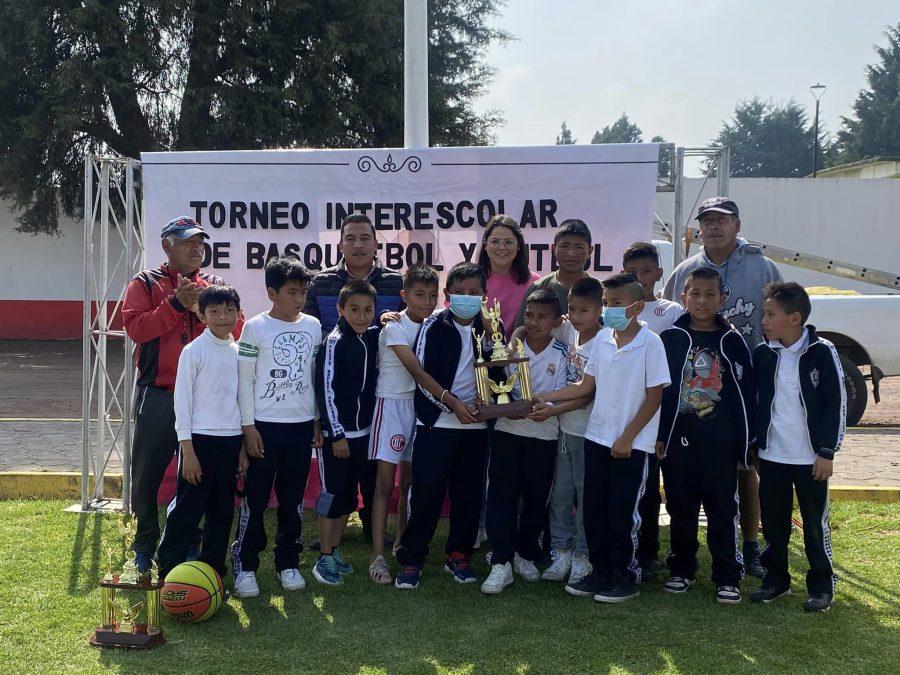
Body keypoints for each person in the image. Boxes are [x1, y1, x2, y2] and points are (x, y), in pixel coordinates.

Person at [663, 196, 782, 578]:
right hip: (691, 397)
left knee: (745, 467)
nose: (714, 227)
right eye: (707, 220)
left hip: (746, 382)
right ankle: (685, 560)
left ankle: (749, 544)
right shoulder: (685, 271)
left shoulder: (762, 267)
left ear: (737, 224)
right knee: (689, 482)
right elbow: (674, 325)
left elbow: (777, 317)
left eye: (722, 220)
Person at [535, 273, 670, 603]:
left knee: (621, 513)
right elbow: (585, 386)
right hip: (596, 438)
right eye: (607, 303)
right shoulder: (605, 339)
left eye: (616, 304)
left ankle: (624, 575)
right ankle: (600, 571)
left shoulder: (651, 343)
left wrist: (627, 437)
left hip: (631, 446)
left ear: (637, 307)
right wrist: (544, 396)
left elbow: (654, 398)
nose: (609, 310)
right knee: (593, 510)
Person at [123, 215, 239, 571]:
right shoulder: (145, 283)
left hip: (205, 401)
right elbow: (137, 329)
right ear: (166, 246)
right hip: (159, 394)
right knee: (147, 472)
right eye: (187, 241)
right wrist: (175, 304)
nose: (196, 247)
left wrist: (200, 309)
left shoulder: (214, 284)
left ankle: (189, 538)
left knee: (196, 475)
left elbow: (235, 326)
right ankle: (144, 543)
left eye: (200, 241)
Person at [394, 262, 503, 590]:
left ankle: (458, 554)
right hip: (437, 424)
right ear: (448, 295)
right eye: (460, 292)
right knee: (427, 493)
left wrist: (490, 404)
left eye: (474, 293)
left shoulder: (490, 330)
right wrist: (453, 404)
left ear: (484, 296)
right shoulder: (433, 327)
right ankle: (412, 559)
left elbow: (500, 373)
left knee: (469, 495)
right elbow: (423, 377)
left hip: (475, 428)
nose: (467, 298)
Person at [303, 212, 404, 547]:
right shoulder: (320, 283)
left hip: (378, 392)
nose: (358, 245)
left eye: (365, 238)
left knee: (373, 468)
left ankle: (371, 525)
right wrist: (319, 415)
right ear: (341, 243)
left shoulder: (395, 283)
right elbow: (311, 336)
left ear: (376, 243)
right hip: (336, 389)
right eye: (351, 238)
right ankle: (332, 532)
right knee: (338, 472)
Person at [656, 268, 755, 605]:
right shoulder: (670, 338)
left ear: (722, 298)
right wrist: (659, 436)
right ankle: (681, 569)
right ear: (683, 297)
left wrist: (746, 440)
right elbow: (659, 392)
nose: (701, 300)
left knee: (722, 510)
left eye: (709, 294)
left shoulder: (732, 340)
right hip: (678, 441)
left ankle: (727, 576)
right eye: (695, 293)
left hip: (720, 443)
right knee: (680, 507)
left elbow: (747, 392)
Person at [231, 256, 323, 598]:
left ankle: (288, 563)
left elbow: (313, 377)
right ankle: (246, 566)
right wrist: (248, 427)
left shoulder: (313, 326)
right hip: (264, 428)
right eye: (291, 292)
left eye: (303, 291)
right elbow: (243, 379)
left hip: (300, 428)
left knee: (292, 500)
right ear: (272, 293)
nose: (299, 299)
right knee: (255, 500)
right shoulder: (255, 327)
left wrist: (315, 420)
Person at [752, 282, 845, 612]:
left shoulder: (822, 351)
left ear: (794, 318)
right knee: (775, 525)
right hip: (772, 456)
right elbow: (755, 403)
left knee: (814, 525)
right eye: (764, 313)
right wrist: (754, 444)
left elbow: (836, 403)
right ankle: (776, 581)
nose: (763, 320)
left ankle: (822, 585)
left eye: (770, 314)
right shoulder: (763, 353)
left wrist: (826, 451)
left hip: (811, 459)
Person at [156, 285, 248, 581]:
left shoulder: (239, 352)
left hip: (231, 441)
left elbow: (242, 401)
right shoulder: (193, 351)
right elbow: (181, 404)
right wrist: (188, 452)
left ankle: (213, 573)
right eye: (215, 311)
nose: (223, 317)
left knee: (222, 512)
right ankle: (168, 569)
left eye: (229, 310)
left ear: (238, 312)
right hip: (199, 443)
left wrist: (243, 447)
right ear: (202, 315)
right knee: (188, 508)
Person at [481, 289, 569, 594]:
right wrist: (504, 407)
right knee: (501, 497)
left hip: (544, 437)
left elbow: (559, 397)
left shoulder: (562, 353)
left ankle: (526, 554)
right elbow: (496, 385)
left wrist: (542, 409)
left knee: (535, 500)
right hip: (507, 432)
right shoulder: (510, 349)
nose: (534, 322)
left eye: (542, 317)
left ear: (557, 321)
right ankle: (501, 562)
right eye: (529, 315)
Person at [368, 264, 440, 585]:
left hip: (420, 406)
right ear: (404, 296)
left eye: (431, 295)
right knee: (385, 484)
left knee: (409, 482)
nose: (426, 301)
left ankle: (401, 543)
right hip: (392, 404)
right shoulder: (394, 326)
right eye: (419, 294)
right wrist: (449, 399)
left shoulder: (437, 325)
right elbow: (417, 371)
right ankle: (377, 556)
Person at [311, 280, 380, 586]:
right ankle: (323, 559)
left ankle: (336, 551)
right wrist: (336, 433)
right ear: (340, 309)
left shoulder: (371, 337)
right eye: (354, 309)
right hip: (336, 438)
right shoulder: (334, 341)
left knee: (347, 499)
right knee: (332, 497)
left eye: (368, 310)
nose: (362, 316)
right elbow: (325, 391)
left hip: (363, 434)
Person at [622, 241, 683, 578]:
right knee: (634, 487)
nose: (641, 278)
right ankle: (633, 549)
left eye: (647, 271)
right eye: (632, 273)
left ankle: (653, 552)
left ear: (659, 273)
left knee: (659, 486)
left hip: (660, 411)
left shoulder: (671, 311)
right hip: (626, 411)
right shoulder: (615, 311)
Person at [539, 278, 603, 585]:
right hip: (563, 432)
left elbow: (587, 393)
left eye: (585, 310)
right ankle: (560, 551)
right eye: (573, 308)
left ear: (600, 310)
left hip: (588, 435)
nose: (576, 315)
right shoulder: (568, 331)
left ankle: (582, 555)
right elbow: (530, 326)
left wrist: (550, 406)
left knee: (585, 497)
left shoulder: (605, 341)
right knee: (560, 495)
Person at [514, 219, 594, 328]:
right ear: (554, 249)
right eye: (564, 246)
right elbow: (521, 331)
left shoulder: (601, 290)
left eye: (578, 247)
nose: (571, 253)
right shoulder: (538, 288)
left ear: (590, 251)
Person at [478, 214, 540, 334]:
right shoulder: (470, 280)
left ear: (518, 246)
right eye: (495, 242)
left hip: (521, 352)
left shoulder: (534, 282)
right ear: (485, 245)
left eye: (509, 242)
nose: (502, 247)